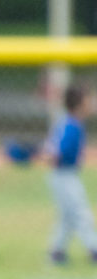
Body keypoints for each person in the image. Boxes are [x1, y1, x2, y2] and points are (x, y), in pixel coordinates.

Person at [42, 84, 97, 264]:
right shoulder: (71, 125)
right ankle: (94, 249)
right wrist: (51, 155)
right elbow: (58, 151)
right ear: (79, 104)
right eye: (88, 101)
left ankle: (57, 252)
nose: (92, 104)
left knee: (67, 216)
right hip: (64, 175)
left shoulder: (68, 122)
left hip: (64, 174)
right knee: (81, 213)